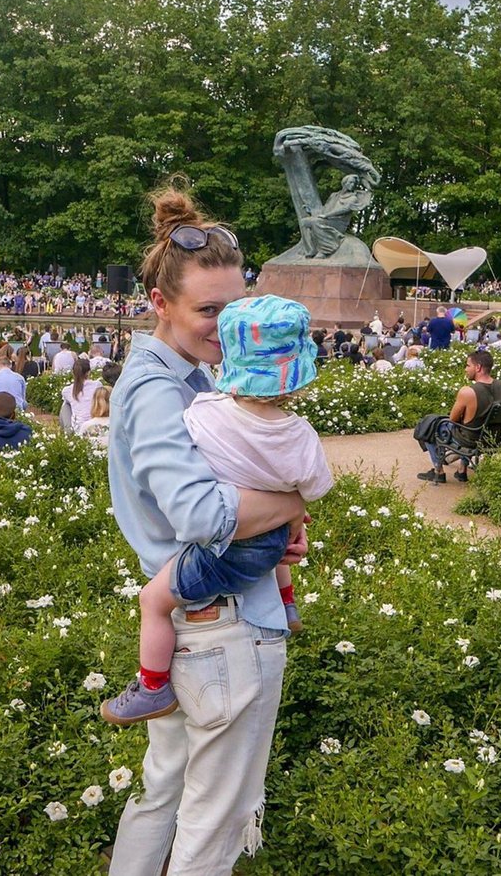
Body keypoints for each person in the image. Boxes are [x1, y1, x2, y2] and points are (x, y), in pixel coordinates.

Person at [105, 185, 308, 876]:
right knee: (213, 824)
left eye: (235, 309)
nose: (226, 328)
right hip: (222, 633)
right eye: (209, 311)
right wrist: (286, 506)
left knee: (163, 791)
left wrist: (273, 531)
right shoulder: (163, 387)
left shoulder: (185, 376)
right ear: (160, 303)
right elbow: (199, 514)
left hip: (196, 625)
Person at [101, 294, 332, 727]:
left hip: (224, 551)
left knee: (152, 600)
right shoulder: (301, 434)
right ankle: (288, 602)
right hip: (270, 545)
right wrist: (292, 507)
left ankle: (152, 686)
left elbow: (200, 512)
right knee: (285, 516)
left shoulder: (205, 409)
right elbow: (315, 487)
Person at [416, 350, 501, 483]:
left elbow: (453, 419)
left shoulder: (467, 392)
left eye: (468, 365)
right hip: (492, 438)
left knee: (430, 425)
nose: (465, 369)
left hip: (470, 440)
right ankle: (462, 470)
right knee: (470, 425)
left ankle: (439, 472)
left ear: (478, 367)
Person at [62, 358, 103, 432]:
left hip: (78, 428)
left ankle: (67, 431)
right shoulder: (97, 385)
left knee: (65, 405)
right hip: (94, 426)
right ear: (88, 372)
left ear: (72, 372)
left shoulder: (67, 390)